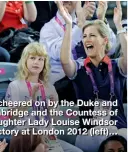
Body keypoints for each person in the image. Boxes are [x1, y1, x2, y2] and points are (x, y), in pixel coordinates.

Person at [59, 1, 127, 152]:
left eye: (92, 35)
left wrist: (119, 26)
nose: (86, 39)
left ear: (104, 40)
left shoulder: (116, 66)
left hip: (120, 131)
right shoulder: (80, 67)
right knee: (107, 132)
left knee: (119, 133)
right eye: (84, 36)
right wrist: (69, 25)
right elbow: (64, 60)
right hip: (90, 134)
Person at [5, 42, 83, 152]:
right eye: (32, 58)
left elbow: (54, 120)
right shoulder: (15, 86)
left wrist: (52, 107)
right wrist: (30, 100)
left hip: (48, 136)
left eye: (40, 59)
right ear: (25, 61)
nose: (36, 62)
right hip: (27, 138)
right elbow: (13, 117)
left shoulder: (49, 87)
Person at [40, 1, 117, 103]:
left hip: (88, 83)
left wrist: (101, 20)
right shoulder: (48, 29)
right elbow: (59, 53)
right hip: (60, 87)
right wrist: (79, 25)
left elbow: (111, 49)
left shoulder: (87, 25)